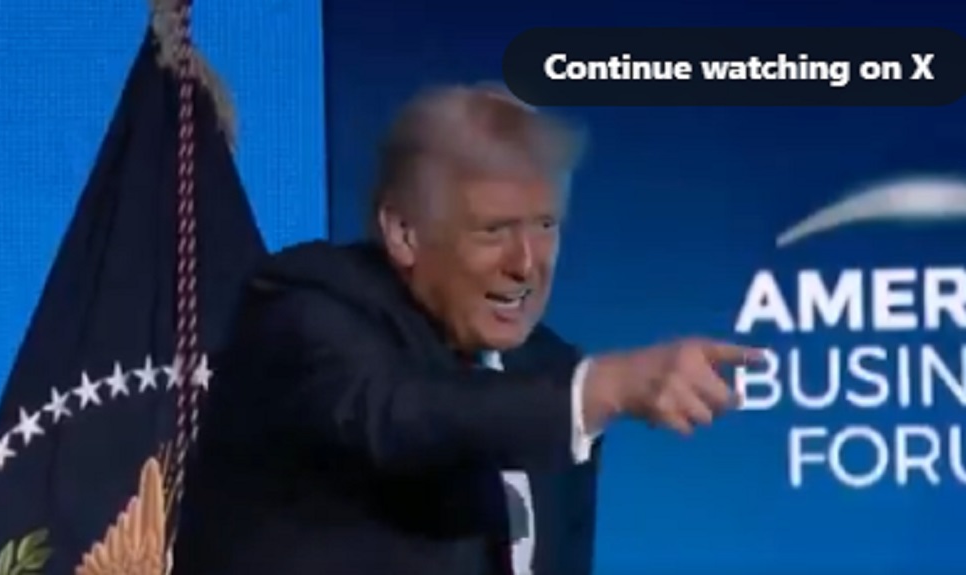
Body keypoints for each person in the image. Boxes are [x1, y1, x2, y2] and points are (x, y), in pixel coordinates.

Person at [172, 84, 759, 575]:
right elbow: (399, 415)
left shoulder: (550, 370)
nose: (526, 263)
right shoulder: (306, 308)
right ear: (404, 232)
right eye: (493, 230)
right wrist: (597, 390)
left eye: (545, 225)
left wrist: (585, 392)